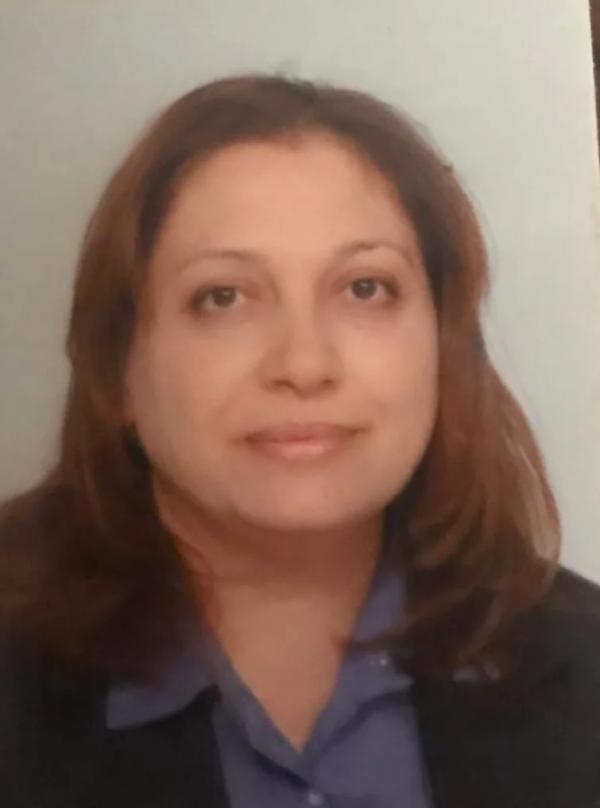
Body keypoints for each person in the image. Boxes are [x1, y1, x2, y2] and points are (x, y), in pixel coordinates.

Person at [0, 73, 599, 808]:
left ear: (442, 348)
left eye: (364, 288)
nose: (304, 364)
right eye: (223, 297)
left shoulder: (584, 666)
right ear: (117, 368)